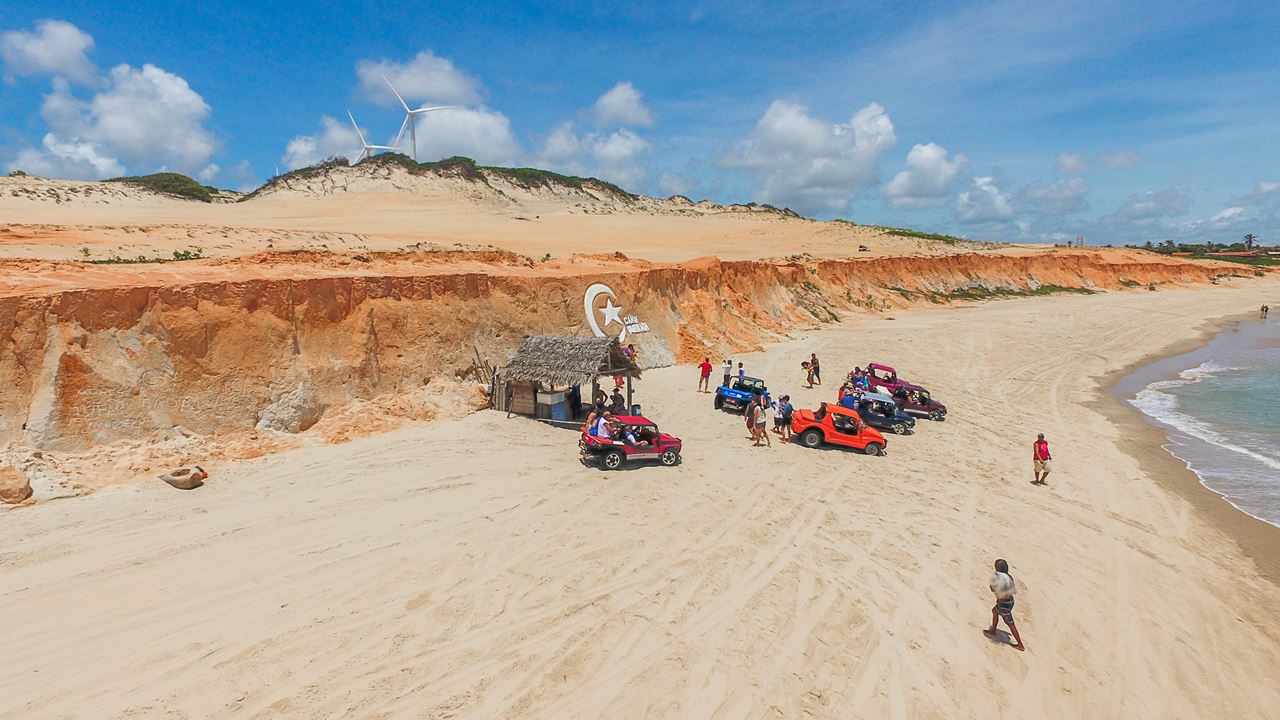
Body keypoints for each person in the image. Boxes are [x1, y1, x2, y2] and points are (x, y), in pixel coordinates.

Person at [985, 559, 1025, 651]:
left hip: (1003, 604)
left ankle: (1020, 644)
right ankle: (993, 630)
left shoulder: (997, 577)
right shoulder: (1009, 576)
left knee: (1010, 623)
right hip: (1010, 601)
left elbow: (992, 588)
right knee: (994, 611)